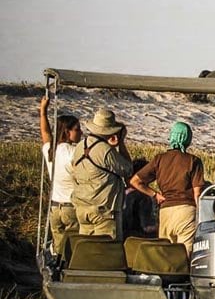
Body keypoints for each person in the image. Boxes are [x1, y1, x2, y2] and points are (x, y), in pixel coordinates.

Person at [129, 122, 205, 254]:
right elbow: (197, 193)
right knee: (185, 254)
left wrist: (155, 195)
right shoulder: (194, 161)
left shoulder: (159, 159)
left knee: (166, 254)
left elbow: (135, 181)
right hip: (186, 211)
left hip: (165, 210)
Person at [70, 108, 133, 240]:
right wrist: (120, 143)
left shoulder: (80, 146)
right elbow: (128, 169)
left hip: (82, 207)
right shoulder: (105, 151)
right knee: (107, 254)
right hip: (103, 210)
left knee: (87, 251)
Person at [39, 96, 82, 254]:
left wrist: (43, 111)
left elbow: (45, 132)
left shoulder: (51, 150)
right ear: (67, 131)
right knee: (73, 249)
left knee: (58, 249)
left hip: (55, 207)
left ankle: (55, 272)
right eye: (77, 129)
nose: (80, 132)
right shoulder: (73, 152)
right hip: (71, 206)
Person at [122, 158, 157, 239]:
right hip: (139, 240)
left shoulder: (119, 193)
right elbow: (147, 227)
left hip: (123, 238)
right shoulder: (144, 198)